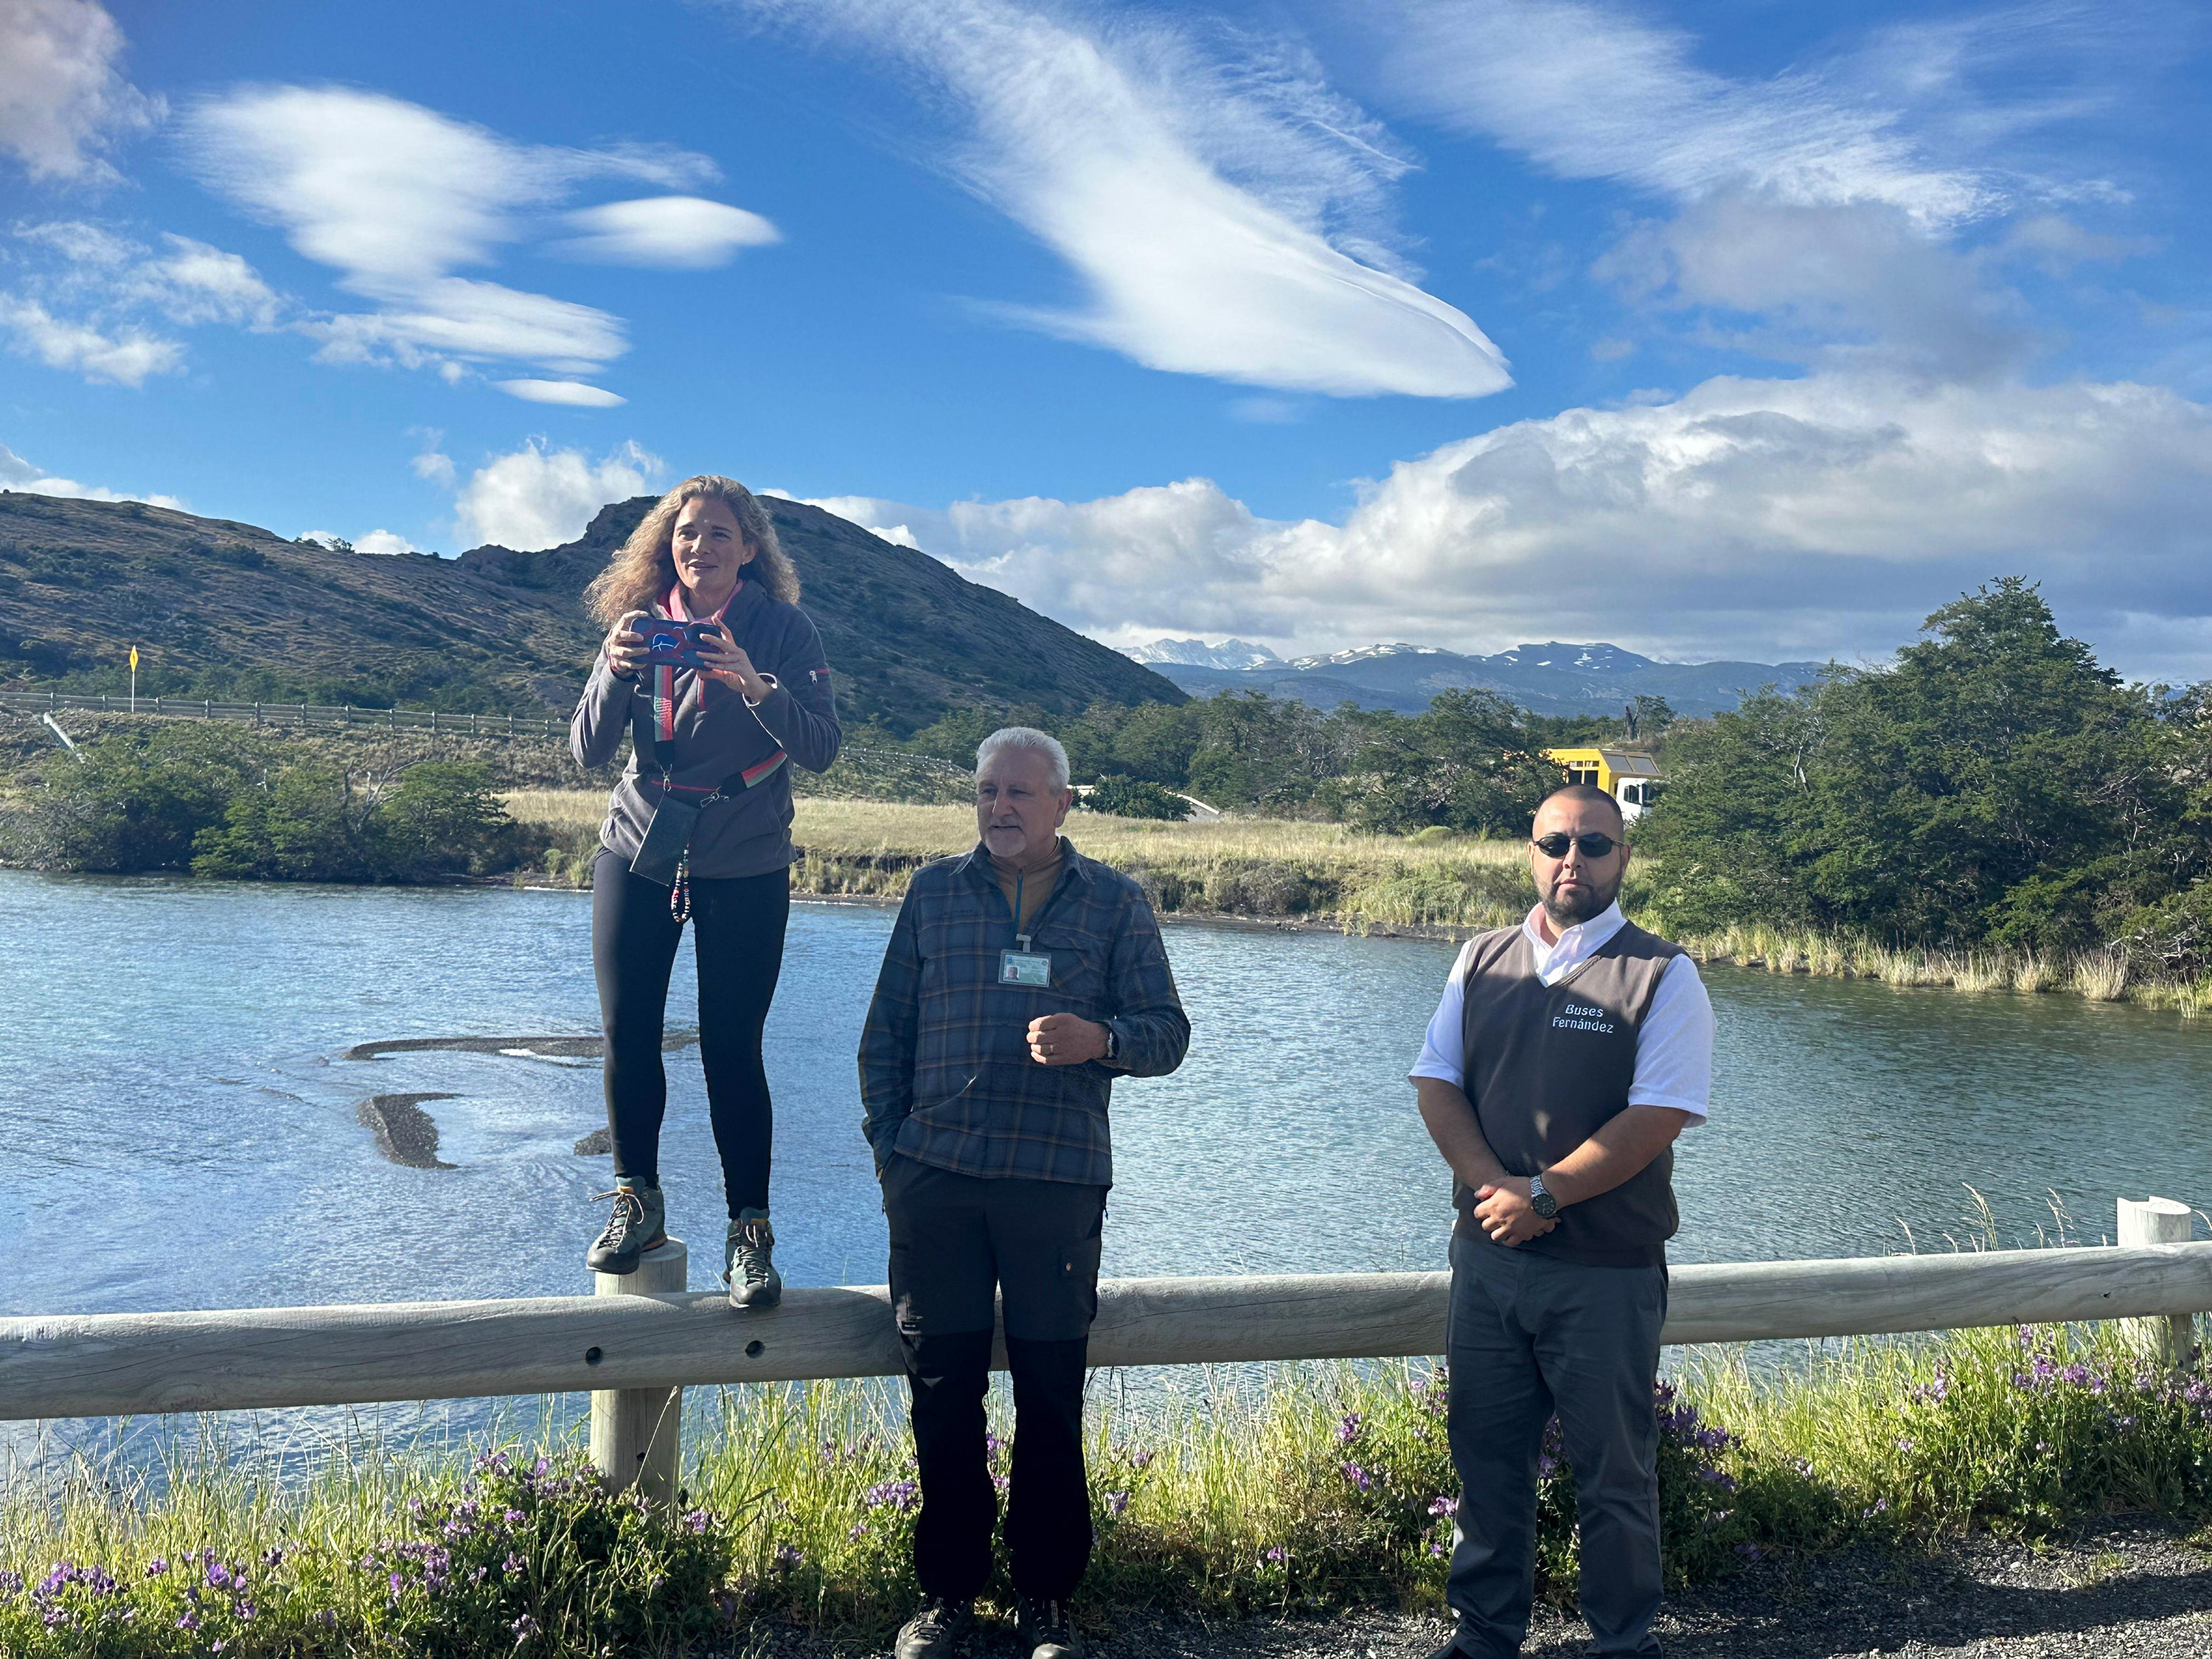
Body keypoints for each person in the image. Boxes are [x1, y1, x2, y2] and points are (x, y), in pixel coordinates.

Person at [858, 727, 1191, 1659]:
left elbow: (1168, 1032)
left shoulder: (1117, 902)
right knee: (942, 1392)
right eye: (987, 791)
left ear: (1062, 804)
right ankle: (949, 1595)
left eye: (1019, 793)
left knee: (1050, 1395)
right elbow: (884, 1036)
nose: (999, 807)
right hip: (937, 1183)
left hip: (1055, 1183)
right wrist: (893, 1157)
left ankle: (1047, 1599)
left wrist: (1102, 1041)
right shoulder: (932, 893)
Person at [1408, 785, 1715, 1659]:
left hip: (1605, 1271)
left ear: (1624, 858)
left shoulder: (1663, 974)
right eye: (1555, 843)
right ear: (1531, 853)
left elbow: (1657, 1116)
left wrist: (1543, 1196)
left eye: (1593, 844)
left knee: (1614, 1471)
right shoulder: (1481, 958)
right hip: (1489, 1261)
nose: (1572, 860)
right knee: (1484, 1458)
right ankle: (1484, 1637)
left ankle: (1622, 1641)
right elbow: (1436, 1083)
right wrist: (1497, 1193)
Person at [570, 475, 840, 1309]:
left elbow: (822, 747)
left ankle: (748, 1233)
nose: (701, 546)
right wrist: (614, 671)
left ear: (749, 549)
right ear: (668, 544)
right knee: (627, 1033)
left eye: (720, 533)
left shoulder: (784, 630)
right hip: (638, 846)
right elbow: (587, 750)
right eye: (687, 532)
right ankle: (636, 1202)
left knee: (732, 1047)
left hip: (746, 856)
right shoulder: (637, 623)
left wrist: (757, 686)